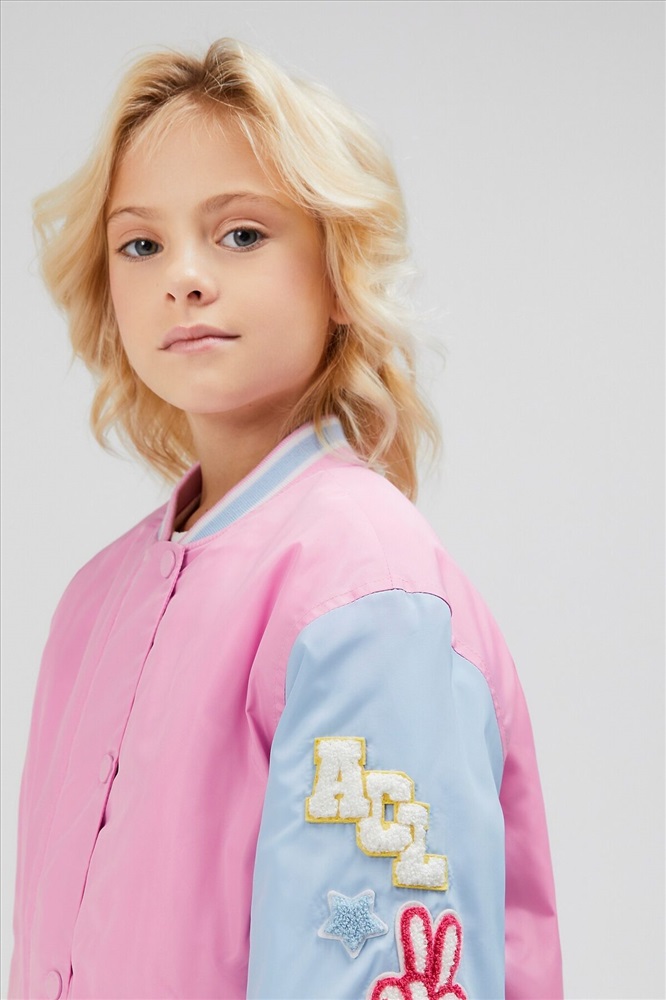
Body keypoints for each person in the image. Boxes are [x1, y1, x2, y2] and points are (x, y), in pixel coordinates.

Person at [9, 38, 562, 1000]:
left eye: (241, 234)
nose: (184, 276)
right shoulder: (95, 601)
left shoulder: (362, 590)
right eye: (141, 244)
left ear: (339, 274)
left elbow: (369, 958)